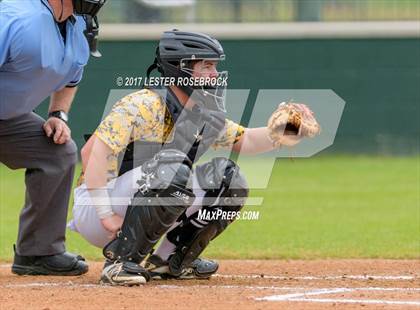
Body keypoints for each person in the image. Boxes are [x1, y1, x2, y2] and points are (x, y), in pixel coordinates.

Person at [69, 30, 308, 285]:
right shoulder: (143, 104)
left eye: (215, 66)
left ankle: (168, 262)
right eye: (207, 66)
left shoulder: (199, 111)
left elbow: (246, 140)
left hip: (141, 195)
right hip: (96, 206)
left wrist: (285, 131)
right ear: (180, 68)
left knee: (228, 179)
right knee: (172, 169)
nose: (215, 74)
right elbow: (91, 152)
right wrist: (106, 215)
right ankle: (118, 263)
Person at [0, 0, 106, 276]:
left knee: (57, 153)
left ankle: (38, 253)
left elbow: (72, 77)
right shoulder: (15, 18)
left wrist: (58, 114)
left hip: (8, 118)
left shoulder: (79, 24)